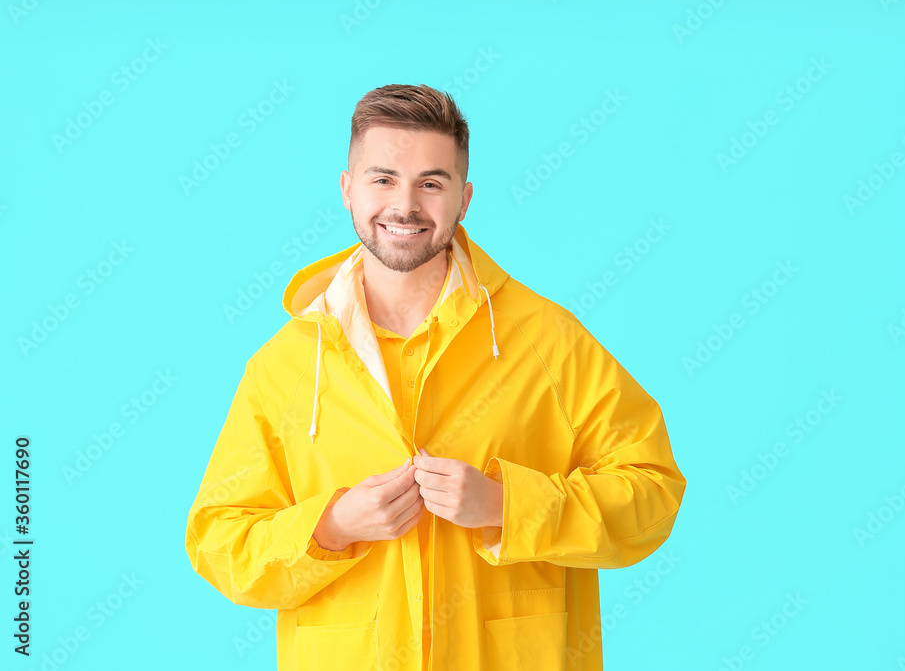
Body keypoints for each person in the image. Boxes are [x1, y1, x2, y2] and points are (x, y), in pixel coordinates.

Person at [184, 83, 686, 671]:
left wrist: (507, 506)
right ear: (347, 189)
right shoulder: (287, 364)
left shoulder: (546, 339)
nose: (405, 205)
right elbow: (218, 542)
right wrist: (331, 526)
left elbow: (652, 492)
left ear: (464, 198)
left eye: (431, 182)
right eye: (383, 179)